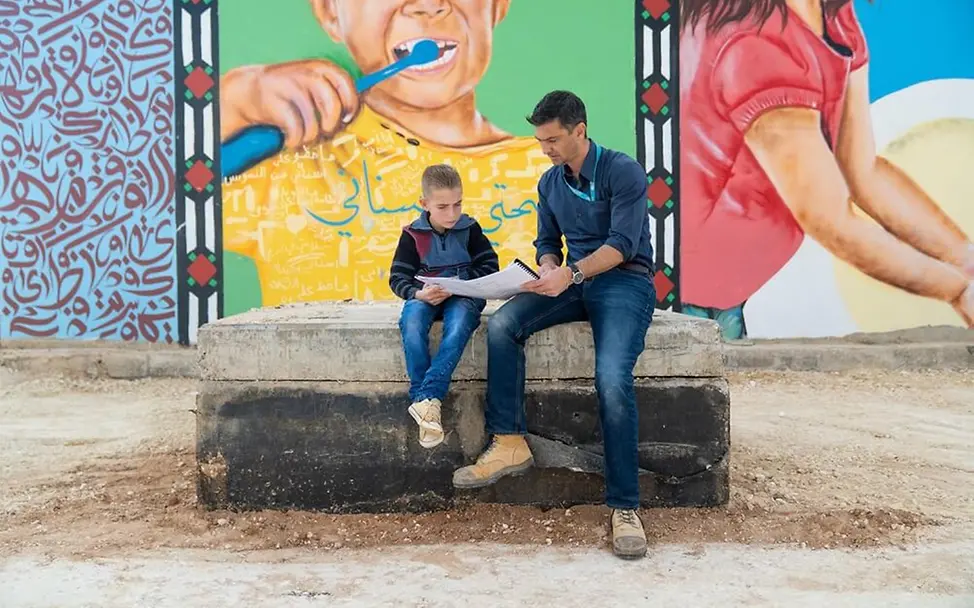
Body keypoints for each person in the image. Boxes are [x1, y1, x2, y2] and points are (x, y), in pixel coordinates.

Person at [220, 0, 552, 305]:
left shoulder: (550, 173)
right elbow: (188, 206)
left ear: (497, 5)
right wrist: (229, 107)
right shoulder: (290, 166)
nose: (429, 6)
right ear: (329, 11)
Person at [679, 0, 974, 339]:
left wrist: (965, 261)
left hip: (734, 286)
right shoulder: (756, 47)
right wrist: (956, 289)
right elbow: (831, 222)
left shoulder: (833, 16)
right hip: (702, 298)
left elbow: (864, 173)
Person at [451, 91, 657, 560]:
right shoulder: (549, 183)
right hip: (570, 282)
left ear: (579, 131)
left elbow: (623, 244)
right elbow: (547, 242)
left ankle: (625, 507)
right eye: (540, 141)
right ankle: (509, 442)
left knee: (611, 377)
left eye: (553, 140)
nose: (545, 149)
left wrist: (572, 273)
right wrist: (547, 268)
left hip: (624, 283)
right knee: (503, 325)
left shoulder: (622, 171)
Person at [389, 164, 499, 448]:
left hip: (464, 296)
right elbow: (397, 278)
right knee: (412, 323)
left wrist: (461, 283)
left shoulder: (470, 229)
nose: (452, 213)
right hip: (426, 296)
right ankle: (427, 403)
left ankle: (426, 399)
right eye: (442, 207)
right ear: (424, 204)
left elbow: (490, 266)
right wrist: (418, 293)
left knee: (459, 325)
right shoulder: (413, 235)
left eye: (457, 204)